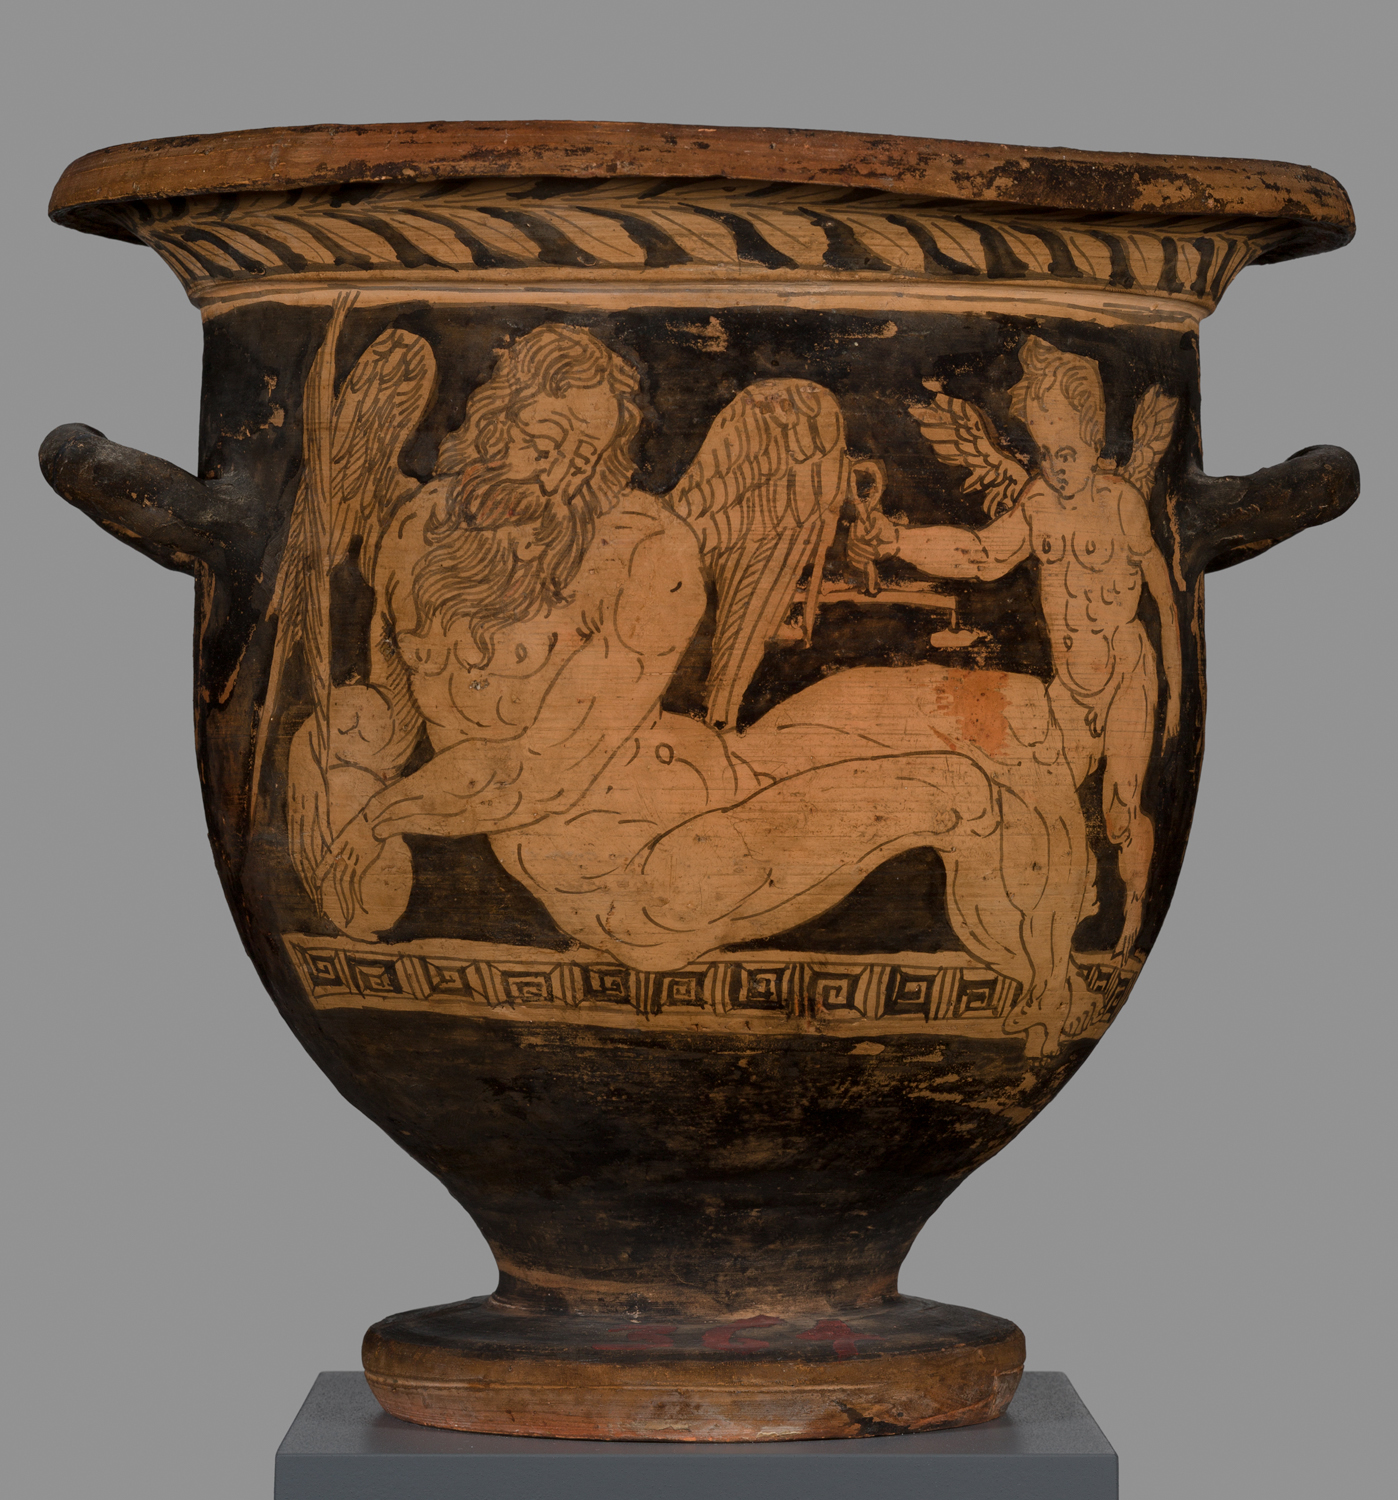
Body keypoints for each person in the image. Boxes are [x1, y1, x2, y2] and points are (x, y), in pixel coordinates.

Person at [291, 325, 1095, 1052]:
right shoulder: (412, 533)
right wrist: (354, 779)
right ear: (497, 415)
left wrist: (381, 817)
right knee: (957, 790)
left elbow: (548, 762)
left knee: (1006, 712)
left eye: (584, 457)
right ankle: (1050, 992)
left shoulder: (644, 546)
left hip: (725, 772)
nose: (560, 471)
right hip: (645, 875)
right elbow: (473, 744)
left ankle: (1061, 952)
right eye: (545, 439)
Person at [863, 337, 1181, 960]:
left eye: (1067, 452)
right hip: (1071, 686)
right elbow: (981, 555)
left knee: (1121, 809)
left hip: (1125, 676)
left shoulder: (1122, 504)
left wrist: (1175, 691)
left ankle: (1131, 924)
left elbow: (1166, 599)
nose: (1055, 467)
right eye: (1044, 452)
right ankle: (1056, 929)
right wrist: (897, 541)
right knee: (1044, 806)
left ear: (1095, 438)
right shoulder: (1038, 502)